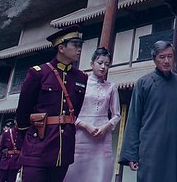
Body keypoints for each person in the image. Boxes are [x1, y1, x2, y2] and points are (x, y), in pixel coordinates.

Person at [15, 25, 87, 182]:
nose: (79, 49)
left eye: (80, 45)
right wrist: (26, 141)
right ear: (61, 48)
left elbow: (76, 111)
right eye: (75, 45)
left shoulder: (81, 78)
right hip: (37, 145)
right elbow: (23, 111)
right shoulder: (38, 73)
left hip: (63, 148)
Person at [119, 41, 177, 182]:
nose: (167, 61)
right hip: (150, 146)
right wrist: (132, 154)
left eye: (170, 56)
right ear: (154, 59)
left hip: (173, 146)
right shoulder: (143, 83)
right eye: (162, 57)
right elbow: (134, 119)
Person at [64, 47, 120, 182]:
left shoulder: (111, 87)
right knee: (75, 172)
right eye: (100, 63)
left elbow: (117, 115)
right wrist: (85, 125)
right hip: (81, 135)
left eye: (107, 64)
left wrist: (105, 127)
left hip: (102, 136)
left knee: (99, 173)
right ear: (92, 64)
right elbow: (70, 112)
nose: (103, 67)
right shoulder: (80, 84)